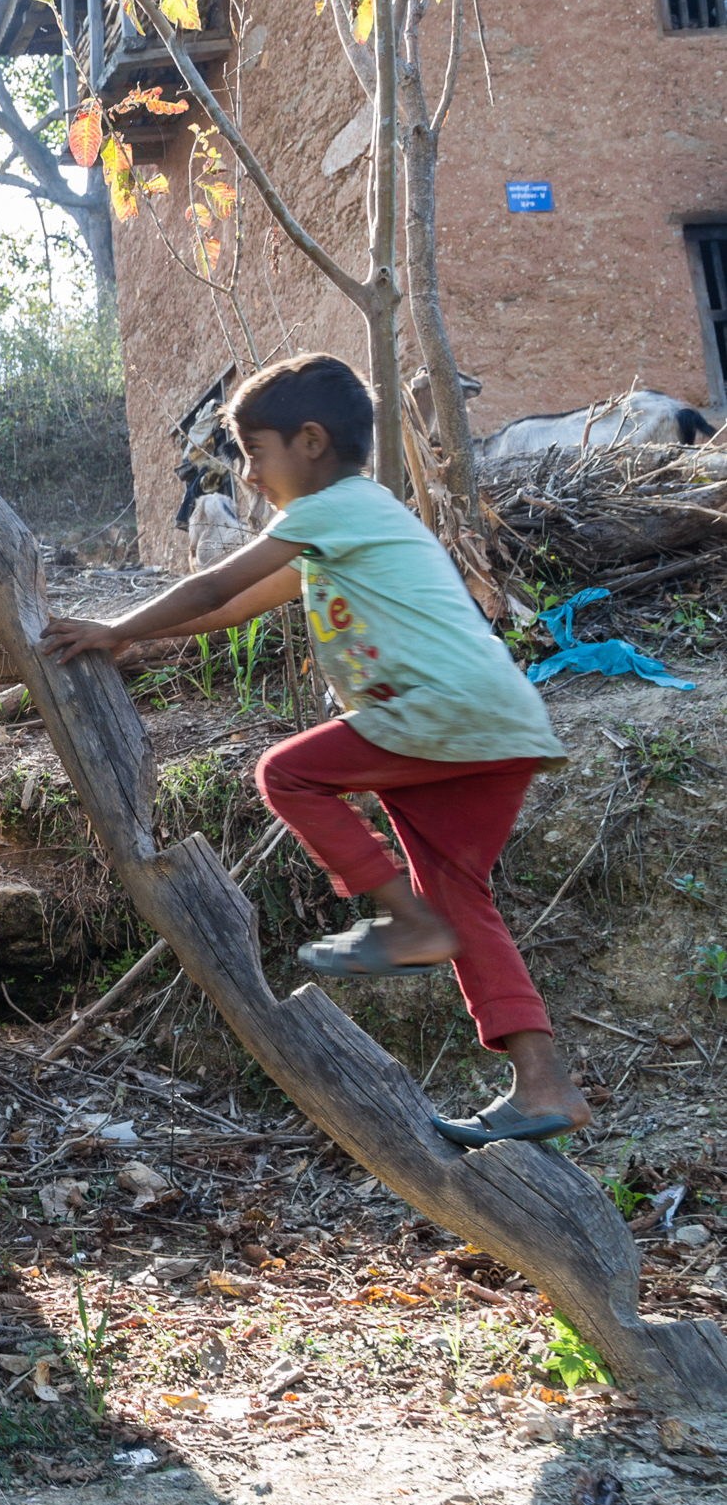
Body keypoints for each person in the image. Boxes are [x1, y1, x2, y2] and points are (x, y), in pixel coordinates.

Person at [38, 353, 587, 1147]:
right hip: (496, 725)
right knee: (459, 901)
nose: (252, 477)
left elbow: (213, 586)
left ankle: (402, 923)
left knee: (286, 772)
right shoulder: (357, 520)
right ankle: (543, 1087)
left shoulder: (335, 508)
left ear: (309, 441)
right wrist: (132, 644)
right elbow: (235, 609)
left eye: (255, 453)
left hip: (438, 713)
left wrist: (113, 626)